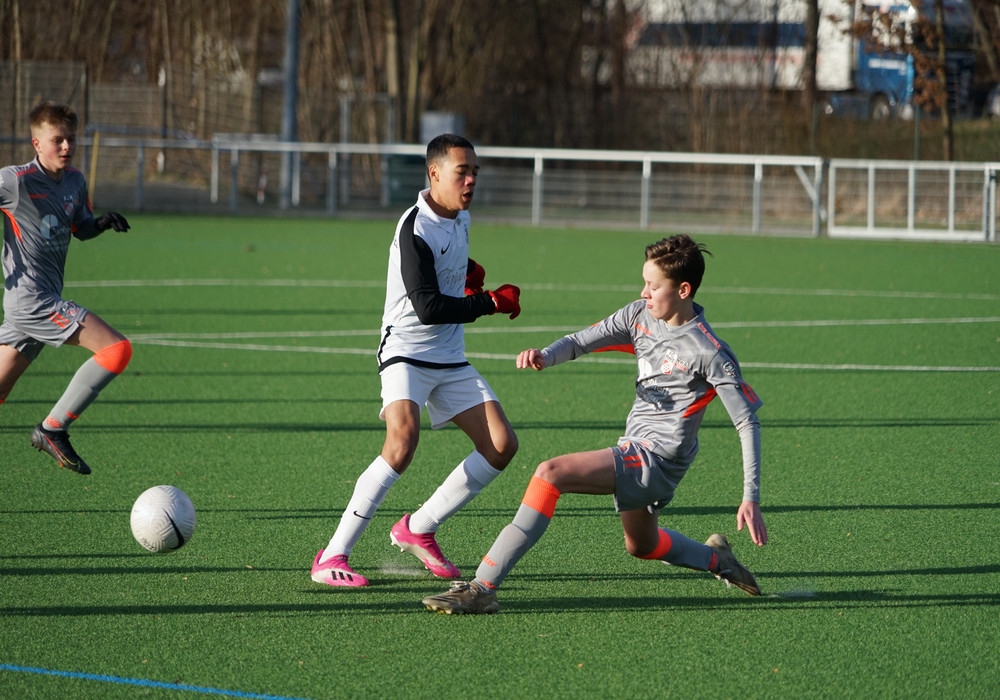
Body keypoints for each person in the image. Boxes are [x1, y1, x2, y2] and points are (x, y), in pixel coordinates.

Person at [421, 234, 767, 614]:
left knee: (550, 474)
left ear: (683, 290)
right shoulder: (639, 315)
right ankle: (718, 559)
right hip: (635, 448)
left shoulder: (709, 351)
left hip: (658, 459)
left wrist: (750, 497)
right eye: (644, 282)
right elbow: (581, 341)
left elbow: (746, 422)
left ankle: (482, 587)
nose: (645, 293)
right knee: (643, 545)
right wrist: (546, 355)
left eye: (653, 286)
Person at [311, 133, 522, 587]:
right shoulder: (415, 227)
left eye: (475, 172)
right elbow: (427, 307)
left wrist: (467, 273)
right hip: (406, 350)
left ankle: (419, 528)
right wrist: (488, 301)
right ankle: (332, 556)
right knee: (401, 443)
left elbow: (446, 268)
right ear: (434, 173)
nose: (470, 180)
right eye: (461, 172)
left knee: (501, 445)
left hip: (448, 355)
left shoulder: (461, 217)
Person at [0, 101, 132, 475]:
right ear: (36, 143)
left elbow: (80, 228)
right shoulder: (15, 180)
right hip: (33, 301)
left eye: (71, 139)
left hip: (38, 303)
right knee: (117, 350)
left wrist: (100, 224)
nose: (66, 146)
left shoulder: (75, 181)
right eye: (57, 139)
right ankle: (52, 429)